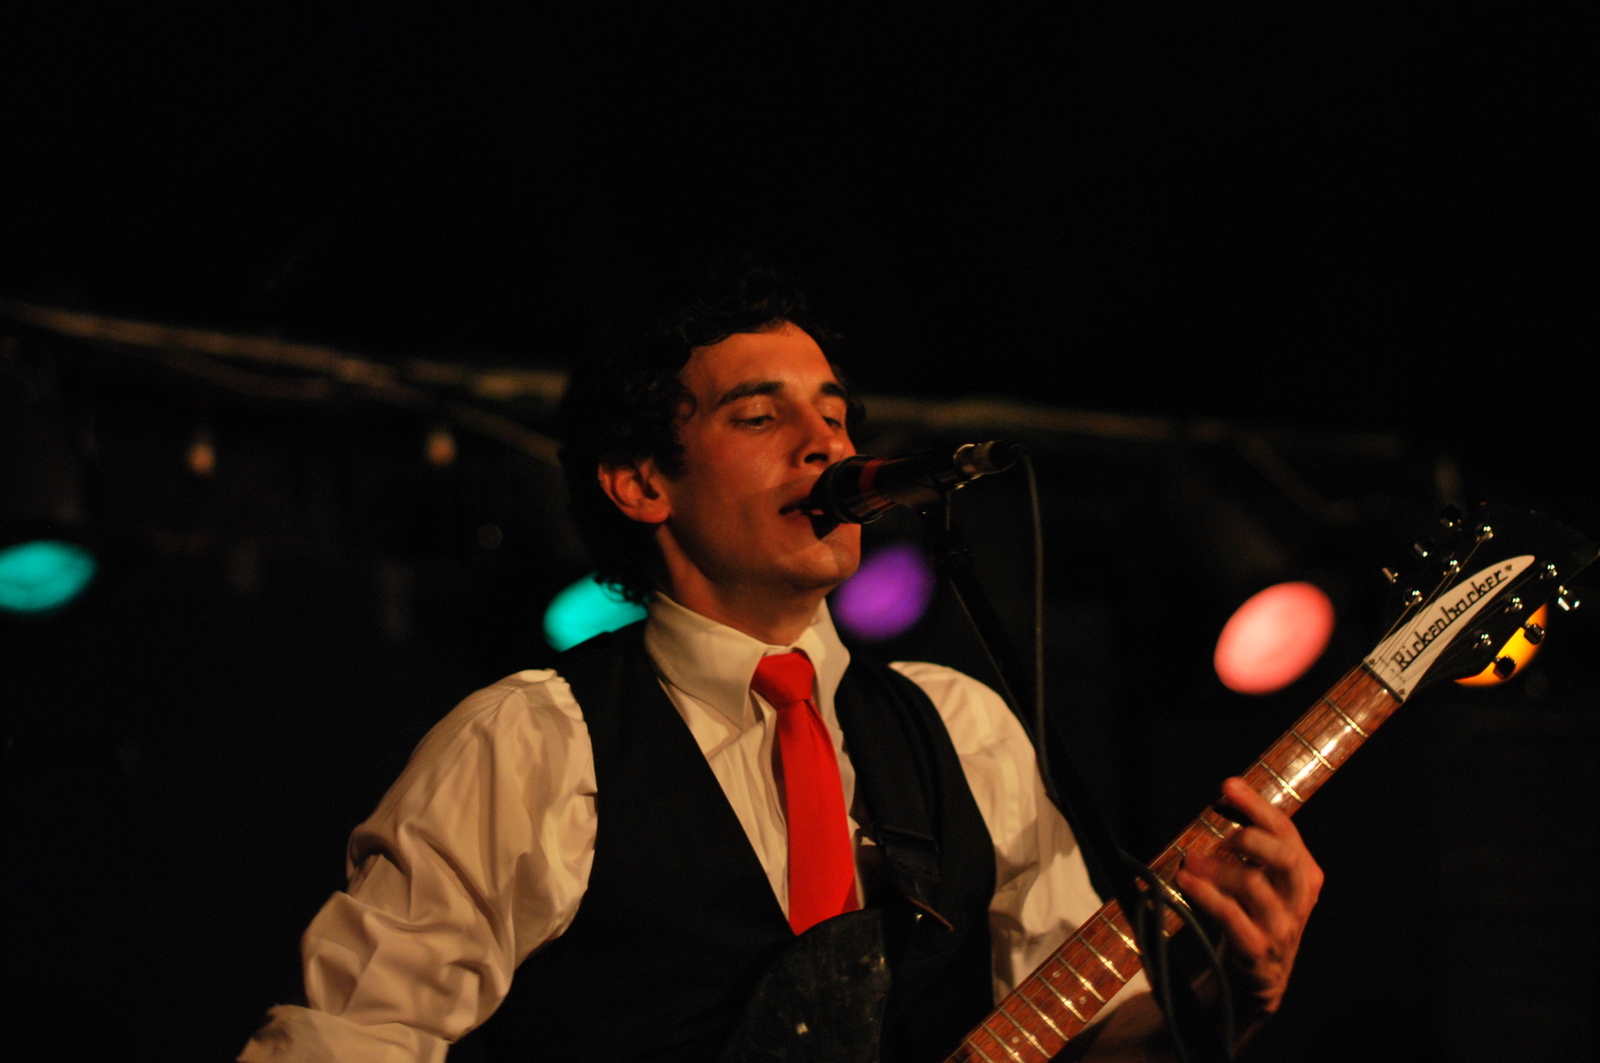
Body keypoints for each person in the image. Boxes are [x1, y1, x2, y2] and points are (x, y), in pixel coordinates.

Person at [239, 262, 1321, 1062]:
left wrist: (1220, 1000)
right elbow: (347, 1039)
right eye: (761, 415)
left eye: (836, 415)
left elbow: (1090, 1041)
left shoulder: (960, 729)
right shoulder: (532, 743)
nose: (827, 444)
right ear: (640, 483)